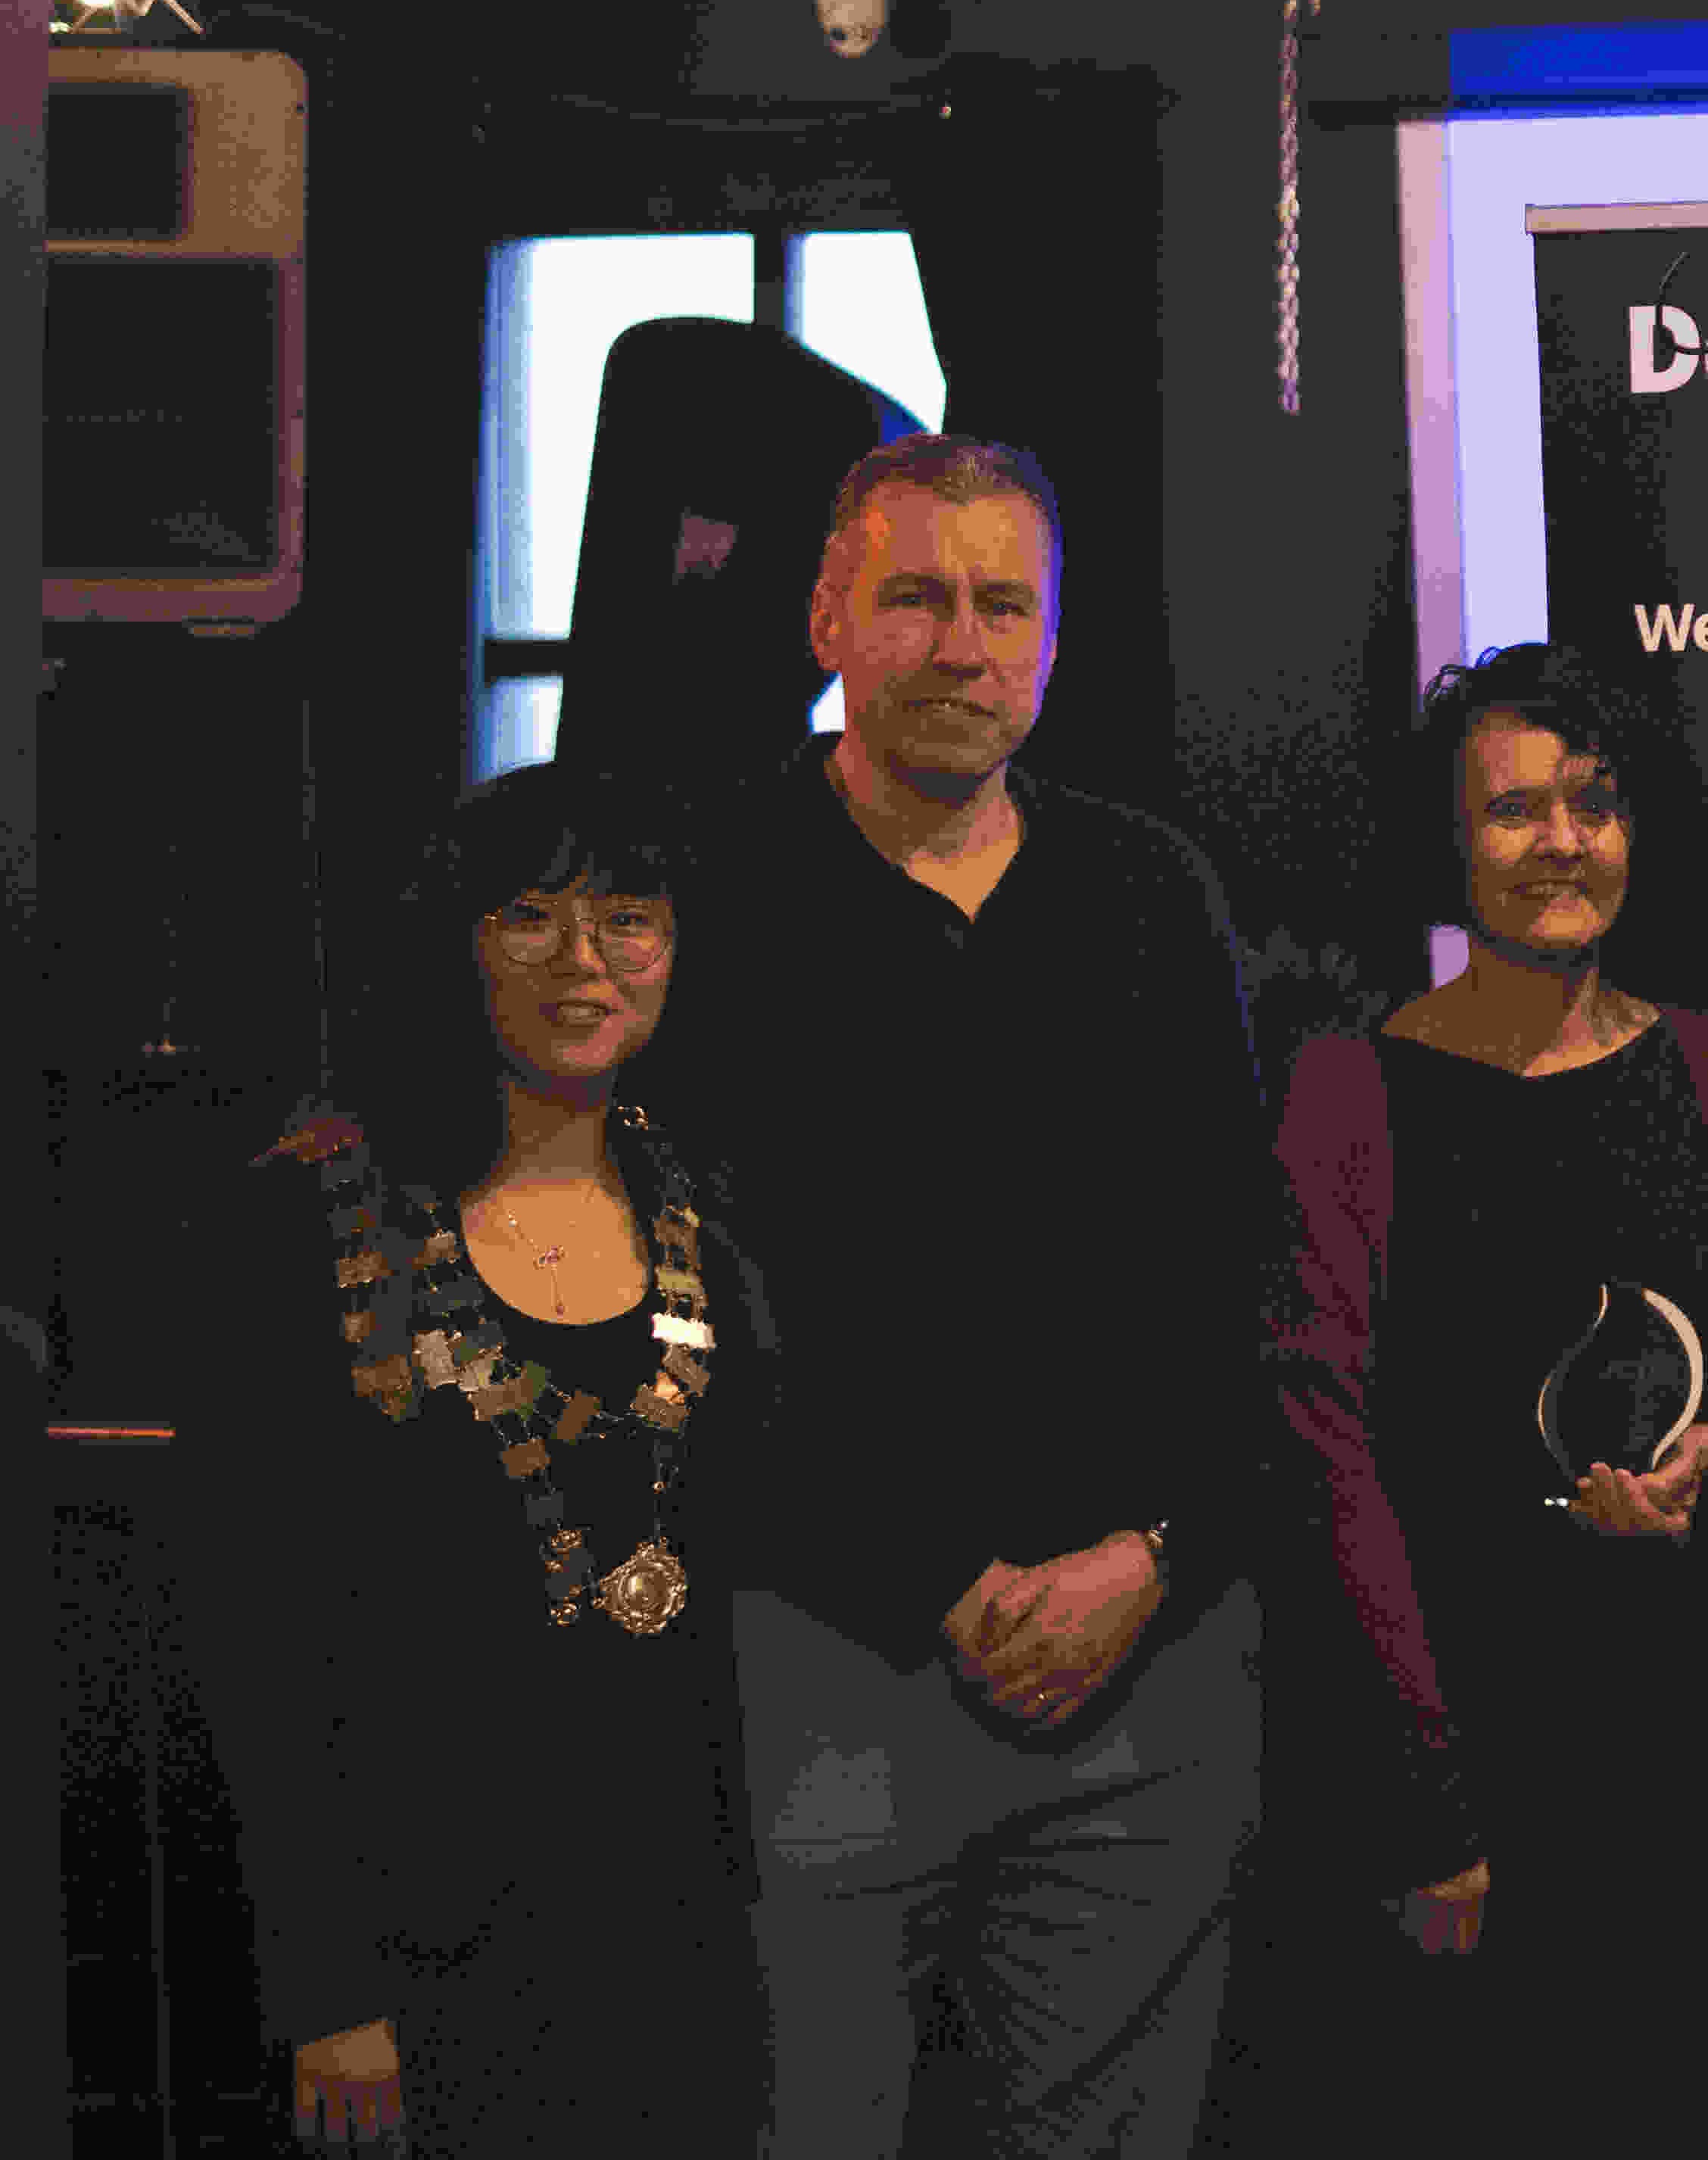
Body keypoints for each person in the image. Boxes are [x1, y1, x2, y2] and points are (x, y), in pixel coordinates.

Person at [643, 434, 1280, 2159]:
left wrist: (1158, 1550)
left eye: (1005, 607)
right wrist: (934, 1573)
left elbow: (1240, 1267)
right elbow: (681, 1304)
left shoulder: (1151, 889)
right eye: (916, 596)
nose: (962, 646)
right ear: (826, 617)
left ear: (1053, 642)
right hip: (825, 1662)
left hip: (1146, 1668)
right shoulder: (699, 893)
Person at [1261, 642, 1708, 2136]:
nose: (1563, 841)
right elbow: (1325, 1453)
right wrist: (1426, 1800)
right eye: (1515, 808)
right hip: (1466, 1757)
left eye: (1594, 803)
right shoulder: (1350, 1093)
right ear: (1450, 843)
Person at [187, 762, 779, 2155]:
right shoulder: (312, 1219)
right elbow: (252, 1630)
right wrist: (327, 1984)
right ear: (457, 942)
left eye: (627, 917)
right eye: (529, 915)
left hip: (679, 1919)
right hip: (414, 1935)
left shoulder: (707, 1206)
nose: (584, 959)